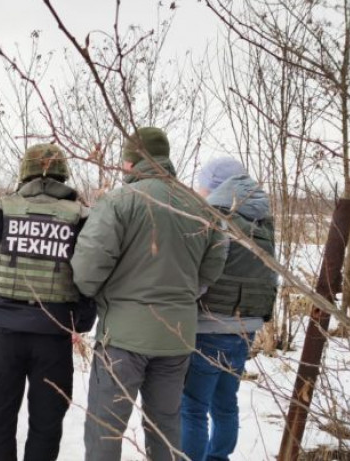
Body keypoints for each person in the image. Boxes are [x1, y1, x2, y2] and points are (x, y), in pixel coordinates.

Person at [71, 127, 227, 461]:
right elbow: (212, 268)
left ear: (131, 161)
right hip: (176, 338)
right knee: (166, 428)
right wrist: (184, 293)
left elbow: (86, 269)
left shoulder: (118, 202)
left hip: (122, 340)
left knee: (105, 429)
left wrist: (102, 295)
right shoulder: (200, 208)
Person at [0, 143, 96, 461]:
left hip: (4, 339)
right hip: (55, 341)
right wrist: (79, 324)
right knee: (47, 425)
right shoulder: (82, 219)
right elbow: (94, 278)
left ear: (24, 173)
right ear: (63, 174)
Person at [181, 157, 278, 461]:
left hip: (209, 325)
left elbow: (201, 275)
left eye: (202, 185)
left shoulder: (214, 218)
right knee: (225, 402)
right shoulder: (262, 220)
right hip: (245, 326)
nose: (199, 191)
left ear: (214, 186)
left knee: (192, 406)